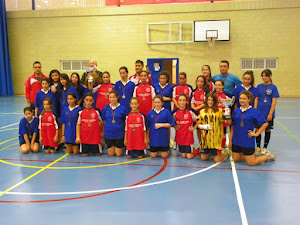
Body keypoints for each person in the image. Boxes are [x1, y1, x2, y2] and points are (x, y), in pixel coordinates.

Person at [229, 91, 275, 165]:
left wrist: (256, 133)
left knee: (251, 163)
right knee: (236, 159)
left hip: (247, 140)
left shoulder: (254, 111)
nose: (242, 100)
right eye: (240, 98)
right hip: (236, 140)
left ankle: (267, 156)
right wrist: (230, 141)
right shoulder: (236, 111)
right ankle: (250, 156)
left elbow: (265, 123)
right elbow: (232, 127)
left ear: (249, 99)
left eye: (244, 98)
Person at [191, 93, 231, 162]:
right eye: (209, 100)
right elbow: (198, 123)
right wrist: (202, 126)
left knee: (217, 160)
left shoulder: (219, 111)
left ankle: (226, 152)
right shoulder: (202, 111)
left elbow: (228, 122)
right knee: (203, 158)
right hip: (205, 140)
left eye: (212, 100)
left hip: (215, 139)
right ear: (206, 101)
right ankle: (210, 152)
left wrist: (228, 114)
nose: (210, 102)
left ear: (214, 101)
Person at [254, 69, 280, 155]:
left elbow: (274, 102)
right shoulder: (259, 86)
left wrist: (270, 114)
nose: (264, 77)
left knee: (267, 130)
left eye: (266, 75)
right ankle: (258, 147)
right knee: (257, 129)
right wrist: (255, 110)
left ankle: (265, 147)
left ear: (270, 76)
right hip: (259, 112)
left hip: (268, 112)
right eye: (262, 76)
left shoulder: (273, 87)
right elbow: (256, 99)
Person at [172, 94, 198, 159]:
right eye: (180, 100)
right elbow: (171, 122)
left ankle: (198, 150)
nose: (182, 102)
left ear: (186, 102)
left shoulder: (190, 111)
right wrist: (174, 126)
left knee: (189, 156)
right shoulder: (174, 112)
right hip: (180, 137)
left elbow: (200, 119)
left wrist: (194, 127)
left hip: (188, 137)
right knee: (183, 155)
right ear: (177, 101)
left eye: (183, 100)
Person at [102, 90, 127, 157]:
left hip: (119, 134)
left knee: (118, 154)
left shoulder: (122, 108)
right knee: (111, 154)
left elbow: (125, 121)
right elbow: (104, 121)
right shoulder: (105, 108)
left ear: (117, 98)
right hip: (109, 134)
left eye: (114, 97)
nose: (112, 99)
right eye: (110, 97)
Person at [191, 75, 210, 143]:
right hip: (195, 113)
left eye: (201, 81)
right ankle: (200, 144)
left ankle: (205, 144)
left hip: (203, 112)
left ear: (204, 83)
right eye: (198, 81)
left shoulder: (206, 91)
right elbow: (192, 101)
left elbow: (205, 103)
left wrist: (196, 108)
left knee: (203, 129)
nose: (199, 83)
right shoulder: (194, 91)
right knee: (198, 128)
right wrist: (193, 108)